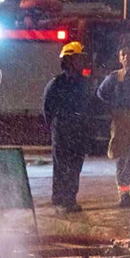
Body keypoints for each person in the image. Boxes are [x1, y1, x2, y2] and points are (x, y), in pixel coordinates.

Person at [42, 41, 92, 213]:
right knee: (62, 166)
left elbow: (90, 107)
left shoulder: (84, 83)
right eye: (78, 58)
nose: (82, 61)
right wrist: (55, 129)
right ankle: (60, 199)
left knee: (75, 167)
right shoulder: (56, 83)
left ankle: (69, 199)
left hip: (78, 133)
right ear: (69, 60)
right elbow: (47, 109)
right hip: (62, 132)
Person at [97, 38, 130, 208]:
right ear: (119, 58)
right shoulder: (115, 77)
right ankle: (124, 194)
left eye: (129, 54)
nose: (126, 57)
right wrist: (114, 106)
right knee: (122, 156)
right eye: (123, 54)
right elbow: (101, 93)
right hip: (122, 122)